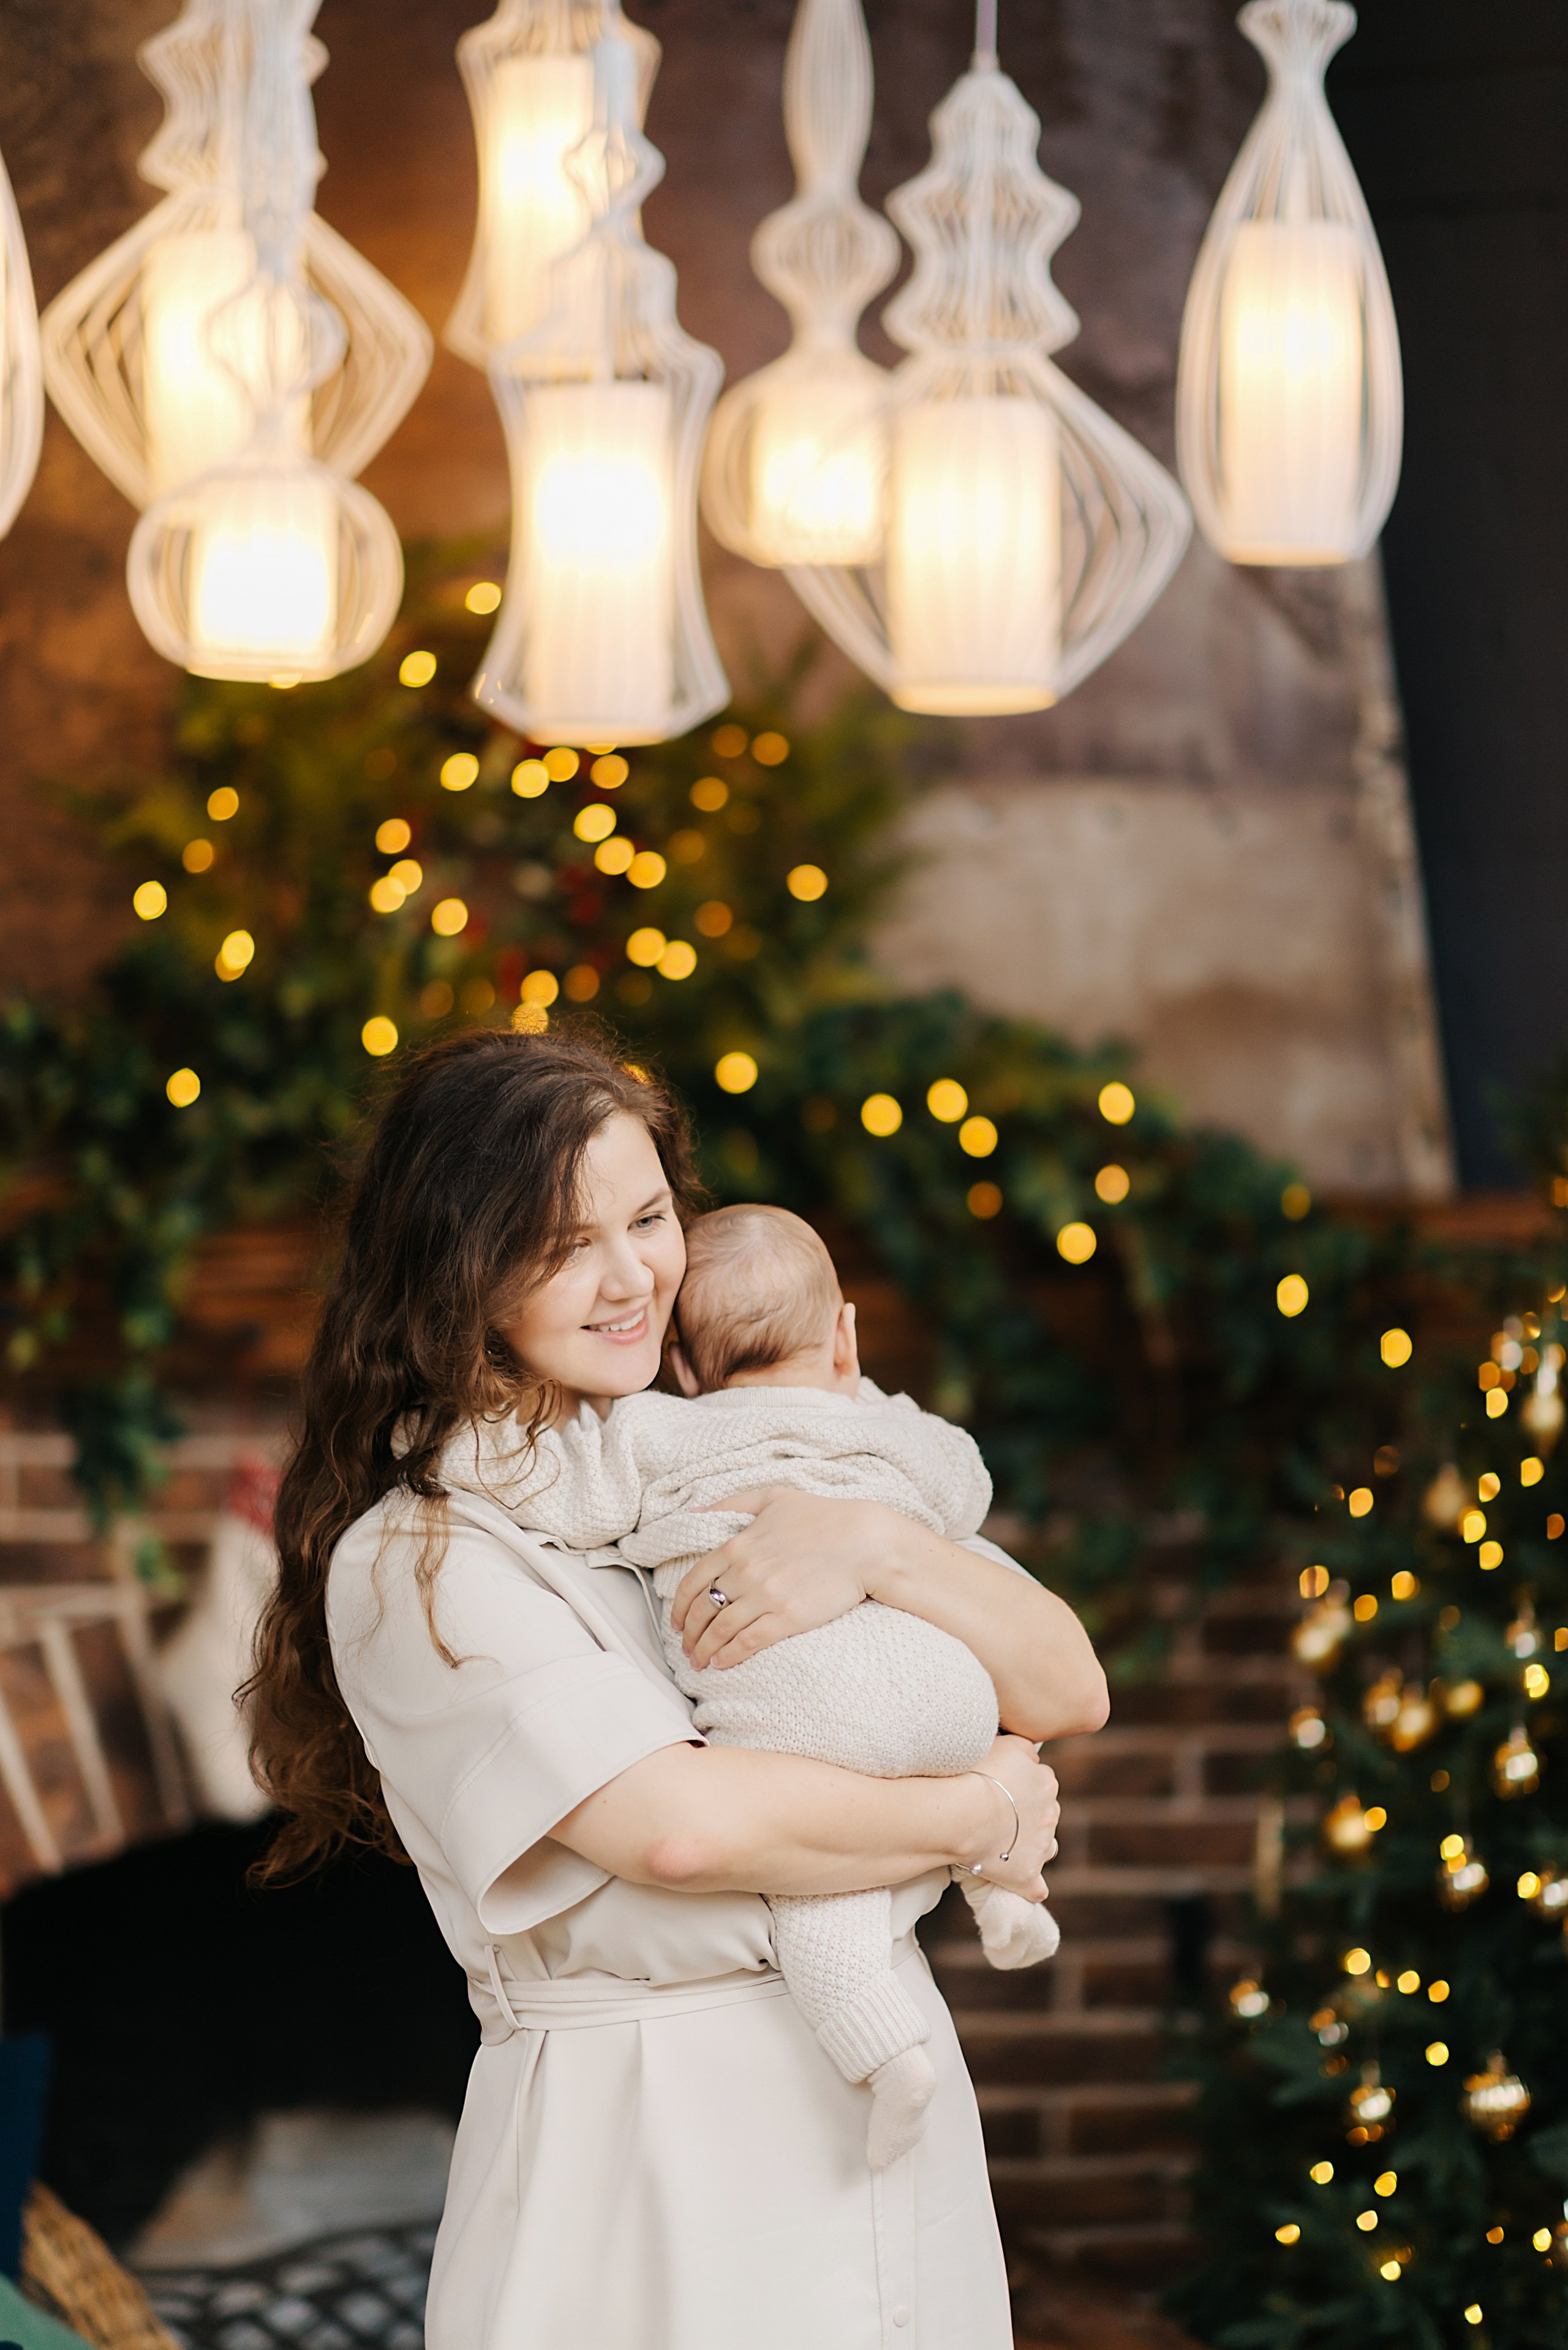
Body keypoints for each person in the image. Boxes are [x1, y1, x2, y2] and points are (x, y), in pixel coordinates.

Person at [249, 1028, 1109, 2350]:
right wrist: (978, 1816)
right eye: (556, 1242)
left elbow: (1063, 1683)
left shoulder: (750, 1436)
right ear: (457, 1273)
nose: (627, 1277)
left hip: (879, 2112)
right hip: (647, 2148)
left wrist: (878, 1543)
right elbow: (674, 1825)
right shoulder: (420, 1552)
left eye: (647, 1216)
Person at [440, 1200, 1060, 2172]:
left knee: (806, 1869)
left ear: (682, 1365)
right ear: (846, 1335)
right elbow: (965, 1490)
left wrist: (434, 1435)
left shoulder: (658, 1434)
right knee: (950, 1777)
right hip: (952, 1692)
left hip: (799, 1699)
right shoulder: (903, 1435)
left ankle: (881, 2047)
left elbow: (548, 1486)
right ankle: (1009, 1889)